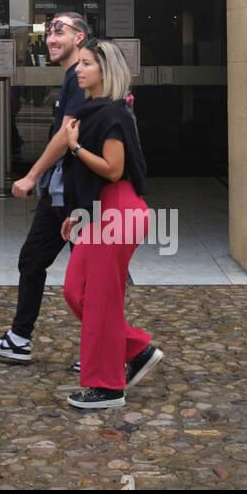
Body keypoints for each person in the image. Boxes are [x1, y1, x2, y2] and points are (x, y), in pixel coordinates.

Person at [0, 13, 90, 363]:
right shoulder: (71, 77)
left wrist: (31, 174)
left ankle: (111, 347)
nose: (52, 38)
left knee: (86, 279)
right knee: (32, 260)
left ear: (80, 37)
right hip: (58, 192)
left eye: (61, 31)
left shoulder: (82, 76)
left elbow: (67, 134)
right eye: (49, 32)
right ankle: (19, 339)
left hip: (77, 193)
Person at [59, 38, 163, 409]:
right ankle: (135, 349)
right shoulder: (96, 111)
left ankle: (106, 387)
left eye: (87, 63)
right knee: (76, 290)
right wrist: (79, 212)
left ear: (106, 71)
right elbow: (96, 180)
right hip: (102, 211)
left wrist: (75, 147)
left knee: (102, 301)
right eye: (79, 63)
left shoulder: (112, 114)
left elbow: (114, 170)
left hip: (118, 212)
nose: (79, 69)